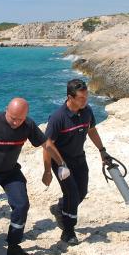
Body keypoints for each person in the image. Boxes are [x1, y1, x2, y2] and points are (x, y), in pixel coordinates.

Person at [0, 98, 70, 255]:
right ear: (6, 109)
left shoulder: (28, 124)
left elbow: (47, 144)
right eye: (13, 118)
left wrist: (61, 164)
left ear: (26, 116)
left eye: (20, 119)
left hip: (10, 171)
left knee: (22, 205)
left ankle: (13, 245)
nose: (15, 122)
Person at [43, 79, 112, 245]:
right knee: (72, 195)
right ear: (70, 97)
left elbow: (92, 130)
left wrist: (102, 151)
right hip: (61, 164)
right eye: (81, 98)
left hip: (79, 159)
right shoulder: (58, 118)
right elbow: (47, 145)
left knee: (81, 193)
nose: (85, 100)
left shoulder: (87, 111)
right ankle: (68, 231)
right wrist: (47, 171)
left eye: (86, 97)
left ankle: (60, 208)